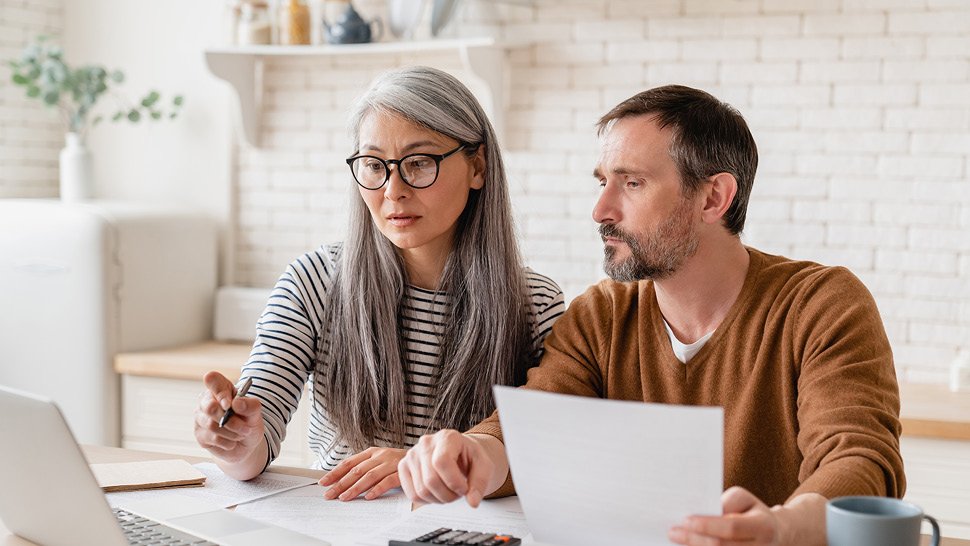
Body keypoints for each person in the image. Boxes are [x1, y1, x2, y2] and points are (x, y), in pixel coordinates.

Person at [396, 84, 904, 545]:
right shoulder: (599, 315)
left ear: (713, 197)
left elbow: (860, 461)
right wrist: (473, 453)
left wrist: (781, 528)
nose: (601, 210)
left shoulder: (821, 304)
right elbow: (533, 430)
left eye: (632, 183)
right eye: (602, 182)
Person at [193, 66, 565, 502]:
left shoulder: (535, 303)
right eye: (374, 165)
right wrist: (235, 439)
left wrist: (417, 468)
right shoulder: (315, 281)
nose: (393, 190)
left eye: (420, 163)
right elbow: (255, 442)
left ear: (477, 166)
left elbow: (545, 454)